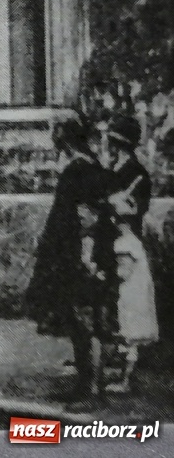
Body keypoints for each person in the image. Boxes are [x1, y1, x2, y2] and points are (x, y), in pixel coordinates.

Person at [23, 110, 111, 407]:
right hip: (69, 255)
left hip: (80, 257)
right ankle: (85, 385)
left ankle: (93, 392)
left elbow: (88, 217)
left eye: (54, 128)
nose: (51, 133)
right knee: (77, 321)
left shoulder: (82, 169)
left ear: (64, 133)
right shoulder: (79, 166)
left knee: (86, 321)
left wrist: (87, 258)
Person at [98, 112, 156, 395]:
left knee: (124, 305)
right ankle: (110, 360)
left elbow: (135, 210)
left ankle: (123, 370)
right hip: (110, 241)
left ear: (116, 142)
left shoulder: (137, 174)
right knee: (110, 303)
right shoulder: (112, 170)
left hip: (124, 242)